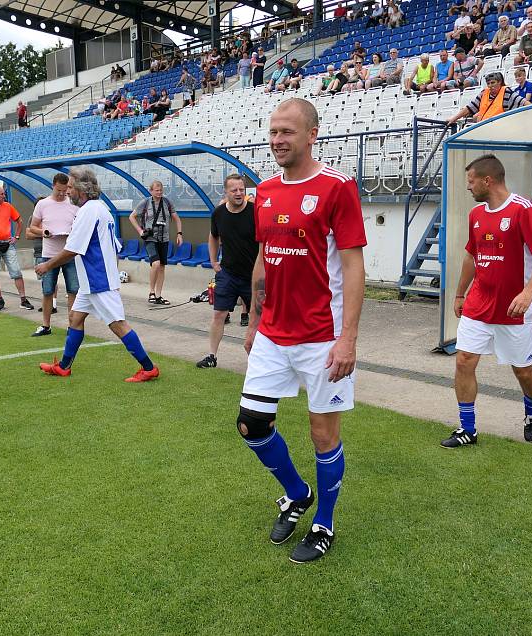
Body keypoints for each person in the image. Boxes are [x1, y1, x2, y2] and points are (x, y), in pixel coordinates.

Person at [238, 98, 367, 563]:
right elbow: (263, 260)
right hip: (273, 333)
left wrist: (348, 337)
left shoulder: (336, 188)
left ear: (312, 134)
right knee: (251, 425)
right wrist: (253, 322)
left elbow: (354, 265)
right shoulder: (265, 191)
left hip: (322, 337)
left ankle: (323, 523)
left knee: (322, 434)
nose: (277, 140)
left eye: (287, 132)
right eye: (273, 131)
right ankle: (297, 492)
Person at [446, 154, 532, 448]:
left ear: (487, 180)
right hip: (479, 303)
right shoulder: (476, 215)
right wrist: (459, 293)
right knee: (464, 361)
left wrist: (529, 291)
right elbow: (472, 255)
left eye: (471, 181)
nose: (468, 187)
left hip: (516, 309)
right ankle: (467, 429)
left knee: (523, 371)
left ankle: (531, 410)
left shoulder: (524, 209)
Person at [36, 168, 160, 383]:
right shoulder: (99, 208)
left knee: (118, 324)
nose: (68, 191)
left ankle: (149, 368)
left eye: (71, 187)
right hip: (92, 279)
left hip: (98, 279)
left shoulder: (89, 211)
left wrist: (47, 265)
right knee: (75, 318)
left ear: (82, 189)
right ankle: (64, 367)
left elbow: (74, 248)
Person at [196, 175, 257, 369]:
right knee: (218, 315)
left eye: (242, 190)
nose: (239, 194)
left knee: (259, 319)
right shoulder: (219, 213)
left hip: (253, 276)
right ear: (226, 192)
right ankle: (211, 356)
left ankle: (258, 362)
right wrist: (214, 261)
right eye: (234, 190)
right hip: (228, 274)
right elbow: (213, 237)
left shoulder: (256, 212)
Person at [27, 173, 79, 337]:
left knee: (73, 290)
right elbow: (32, 228)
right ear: (53, 186)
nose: (62, 194)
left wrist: (72, 232)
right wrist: (44, 232)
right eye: (59, 191)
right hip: (49, 254)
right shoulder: (42, 204)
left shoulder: (73, 204)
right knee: (47, 290)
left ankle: (72, 326)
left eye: (65, 191)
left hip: (69, 253)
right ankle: (45, 325)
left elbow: (80, 226)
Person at [128, 181, 183, 305]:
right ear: (151, 191)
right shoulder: (145, 203)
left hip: (164, 238)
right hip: (150, 238)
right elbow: (132, 216)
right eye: (156, 191)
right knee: (156, 264)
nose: (159, 193)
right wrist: (140, 231)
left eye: (161, 191)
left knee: (162, 266)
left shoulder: (168, 202)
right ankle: (151, 292)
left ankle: (158, 296)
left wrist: (179, 234)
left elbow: (177, 218)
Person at [446, 72, 527, 124]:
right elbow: (469, 107)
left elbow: (523, 102)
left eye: (493, 83)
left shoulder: (507, 92)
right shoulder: (484, 93)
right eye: (488, 83)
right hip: (482, 126)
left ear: (499, 82)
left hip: (500, 127)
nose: (490, 86)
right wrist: (454, 118)